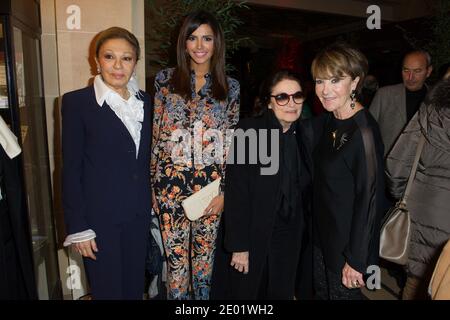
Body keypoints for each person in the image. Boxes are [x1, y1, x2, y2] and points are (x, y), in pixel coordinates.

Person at [151, 10, 240, 300]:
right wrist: (152, 183)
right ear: (184, 42)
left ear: (217, 44)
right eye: (192, 38)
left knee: (204, 265)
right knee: (176, 266)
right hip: (168, 187)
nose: (199, 45)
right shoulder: (165, 80)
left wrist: (226, 192)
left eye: (207, 38)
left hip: (210, 191)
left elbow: (232, 145)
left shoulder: (231, 87)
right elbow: (156, 135)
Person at [62, 27, 152, 299]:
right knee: (108, 292)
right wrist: (78, 227)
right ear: (97, 61)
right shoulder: (77, 102)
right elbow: (70, 168)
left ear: (135, 63)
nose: (118, 65)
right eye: (109, 56)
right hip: (99, 222)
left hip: (138, 217)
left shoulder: (147, 102)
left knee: (135, 290)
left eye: (126, 58)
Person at [211, 70, 312, 300]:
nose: (291, 103)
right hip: (254, 233)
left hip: (290, 235)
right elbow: (237, 192)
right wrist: (239, 245)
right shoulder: (250, 131)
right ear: (269, 102)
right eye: (282, 97)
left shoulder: (305, 133)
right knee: (248, 293)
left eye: (297, 96)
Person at [310, 43, 385, 300]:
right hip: (322, 237)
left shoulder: (364, 132)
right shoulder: (331, 119)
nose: (325, 89)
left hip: (345, 247)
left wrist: (356, 258)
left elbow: (371, 199)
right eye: (320, 80)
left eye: (335, 79)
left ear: (355, 82)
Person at [385, 77, 450, 300]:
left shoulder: (428, 111)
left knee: (415, 286)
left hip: (421, 217)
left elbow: (396, 168)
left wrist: (405, 197)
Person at [370, 50, 432, 157]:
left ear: (428, 71)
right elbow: (367, 132)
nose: (410, 77)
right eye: (406, 70)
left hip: (422, 168)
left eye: (417, 71)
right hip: (386, 167)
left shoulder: (437, 100)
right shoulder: (384, 95)